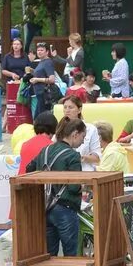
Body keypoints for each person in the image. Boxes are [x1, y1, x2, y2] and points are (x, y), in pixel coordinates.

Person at [28, 117, 88, 256]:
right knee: (70, 254)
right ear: (75, 134)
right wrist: (83, 186)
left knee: (50, 255)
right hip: (65, 208)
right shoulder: (73, 156)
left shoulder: (46, 150)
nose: (83, 141)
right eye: (83, 136)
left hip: (45, 207)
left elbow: (29, 169)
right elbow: (73, 188)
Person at [61, 96, 102, 165]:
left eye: (70, 107)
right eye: (65, 107)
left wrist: (81, 158)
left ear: (79, 110)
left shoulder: (91, 129)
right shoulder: (60, 128)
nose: (67, 110)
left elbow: (97, 158)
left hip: (85, 171)